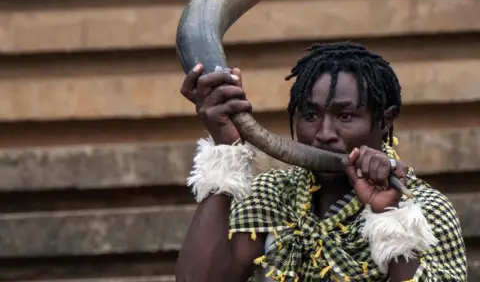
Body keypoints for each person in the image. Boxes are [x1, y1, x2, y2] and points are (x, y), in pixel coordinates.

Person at [175, 42, 467, 282]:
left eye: (345, 116)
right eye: (310, 116)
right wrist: (227, 149)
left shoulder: (424, 208)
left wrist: (390, 215)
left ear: (385, 121)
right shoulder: (271, 194)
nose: (324, 135)